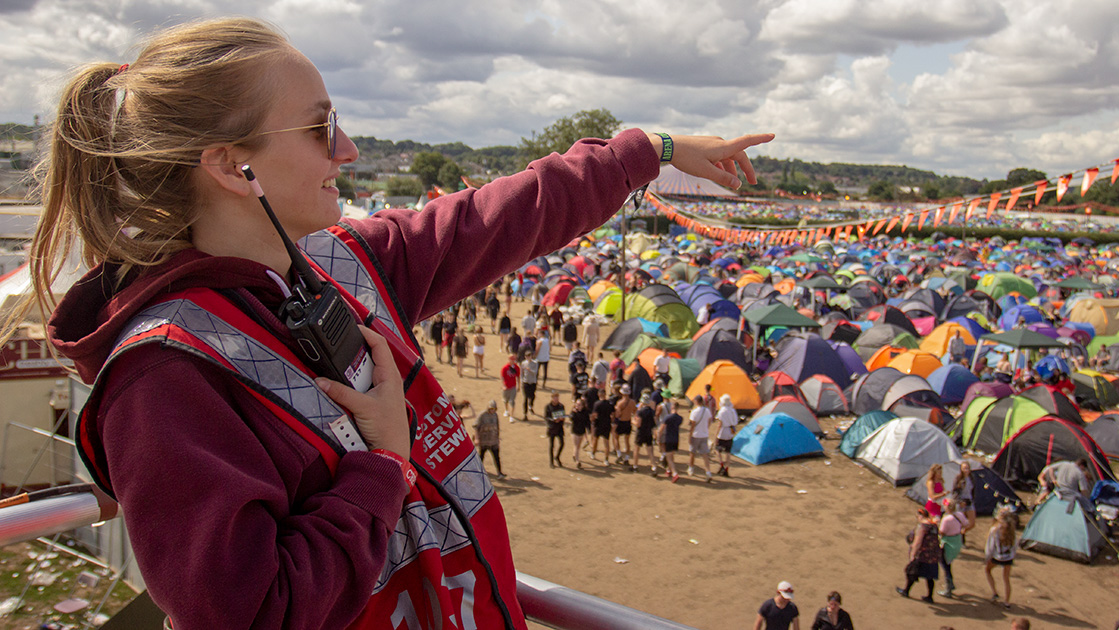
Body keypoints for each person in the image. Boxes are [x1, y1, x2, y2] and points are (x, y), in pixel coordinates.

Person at [17, 16, 769, 628]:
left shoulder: (345, 265)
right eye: (319, 129)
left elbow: (502, 216)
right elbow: (246, 612)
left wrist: (651, 151)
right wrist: (382, 465)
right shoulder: (165, 376)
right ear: (229, 166)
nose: (345, 150)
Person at [896, 508, 940, 603]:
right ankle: (930, 596)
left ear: (921, 516)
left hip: (922, 555)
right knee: (930, 578)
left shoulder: (922, 527)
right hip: (933, 556)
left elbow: (917, 542)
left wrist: (912, 554)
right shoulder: (934, 526)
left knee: (911, 572)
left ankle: (906, 591)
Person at [985, 508, 1019, 608]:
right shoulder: (1012, 530)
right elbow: (1015, 545)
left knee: (987, 570)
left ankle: (995, 593)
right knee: (1006, 579)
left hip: (997, 557)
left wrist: (988, 557)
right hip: (1008, 558)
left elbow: (990, 546)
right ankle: (1007, 602)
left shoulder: (994, 530)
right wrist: (1012, 556)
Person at [936, 499, 969, 598]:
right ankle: (951, 584)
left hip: (947, 543)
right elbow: (965, 524)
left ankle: (948, 588)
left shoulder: (946, 519)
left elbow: (941, 532)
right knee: (948, 564)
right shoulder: (959, 514)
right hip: (957, 541)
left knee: (945, 565)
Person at [473, 401, 505, 479]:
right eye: (491, 409)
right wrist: (476, 438)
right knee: (481, 456)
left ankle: (499, 473)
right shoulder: (482, 415)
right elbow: (476, 426)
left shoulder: (495, 415)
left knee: (496, 457)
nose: (492, 410)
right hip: (484, 440)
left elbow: (497, 427)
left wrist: (497, 437)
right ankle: (478, 472)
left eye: (494, 409)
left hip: (493, 440)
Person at [688, 395, 714, 482]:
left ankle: (691, 469)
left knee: (692, 453)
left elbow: (692, 425)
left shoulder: (694, 412)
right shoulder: (707, 410)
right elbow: (710, 420)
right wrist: (706, 428)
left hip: (696, 435)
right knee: (705, 454)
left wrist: (690, 435)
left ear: (696, 401)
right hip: (704, 434)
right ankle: (708, 472)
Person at [656, 401, 683, 483]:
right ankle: (668, 470)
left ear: (672, 407)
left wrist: (658, 438)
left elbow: (661, 429)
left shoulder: (667, 417)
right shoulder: (680, 418)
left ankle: (675, 473)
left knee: (669, 457)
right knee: (671, 455)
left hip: (668, 438)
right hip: (676, 438)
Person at [632, 392, 658, 474]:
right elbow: (654, 423)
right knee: (650, 451)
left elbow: (638, 424)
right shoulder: (652, 411)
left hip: (641, 432)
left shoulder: (640, 412)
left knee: (636, 449)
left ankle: (635, 466)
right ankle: (653, 467)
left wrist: (633, 421)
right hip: (648, 432)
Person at [714, 394, 738, 477]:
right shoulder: (732, 410)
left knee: (717, 449)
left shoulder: (722, 411)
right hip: (730, 431)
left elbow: (719, 424)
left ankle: (721, 464)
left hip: (723, 432)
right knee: (728, 452)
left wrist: (716, 435)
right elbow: (735, 422)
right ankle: (726, 468)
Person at [613, 384, 636, 465]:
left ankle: (619, 454)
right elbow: (634, 412)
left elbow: (617, 415)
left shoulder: (620, 403)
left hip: (620, 422)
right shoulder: (632, 402)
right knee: (627, 441)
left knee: (616, 437)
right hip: (628, 421)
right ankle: (626, 458)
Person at [591, 392, 616, 465]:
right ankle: (606, 459)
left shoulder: (597, 404)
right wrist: (612, 420)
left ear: (599, 395)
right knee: (606, 442)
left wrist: (592, 420)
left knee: (595, 439)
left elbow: (594, 414)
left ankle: (593, 453)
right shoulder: (609, 404)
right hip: (607, 424)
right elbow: (613, 414)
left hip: (598, 423)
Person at [544, 392, 566, 468]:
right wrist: (553, 420)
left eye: (557, 397)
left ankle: (557, 456)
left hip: (559, 427)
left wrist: (561, 419)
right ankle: (551, 462)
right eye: (554, 397)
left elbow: (563, 416)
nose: (556, 399)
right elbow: (546, 417)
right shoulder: (548, 407)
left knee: (562, 443)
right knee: (552, 445)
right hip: (552, 428)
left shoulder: (561, 406)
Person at [569, 396, 591, 469]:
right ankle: (577, 461)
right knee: (576, 445)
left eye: (579, 405)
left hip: (581, 430)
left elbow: (587, 422)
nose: (577, 406)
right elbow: (571, 419)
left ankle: (574, 455)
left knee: (578, 446)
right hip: (574, 430)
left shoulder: (585, 412)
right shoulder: (574, 412)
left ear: (583, 405)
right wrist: (574, 413)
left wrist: (589, 429)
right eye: (577, 404)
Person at [500, 354, 520, 421]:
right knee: (505, 400)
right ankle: (506, 410)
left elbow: (518, 377)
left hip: (513, 386)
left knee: (512, 401)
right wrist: (503, 385)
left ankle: (512, 415)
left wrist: (519, 385)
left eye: (513, 359)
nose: (512, 361)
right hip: (506, 386)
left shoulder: (516, 368)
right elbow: (502, 377)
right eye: (511, 359)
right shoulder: (505, 368)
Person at [520, 353, 539, 421]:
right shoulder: (523, 363)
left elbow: (535, 372)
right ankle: (525, 414)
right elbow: (521, 373)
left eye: (529, 356)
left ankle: (530, 405)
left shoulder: (535, 363)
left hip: (533, 382)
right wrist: (521, 380)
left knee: (532, 396)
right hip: (526, 382)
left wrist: (529, 370)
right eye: (526, 356)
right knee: (525, 398)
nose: (528, 357)